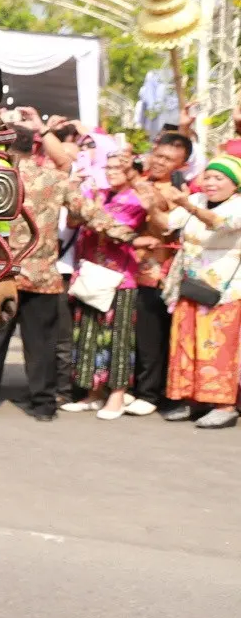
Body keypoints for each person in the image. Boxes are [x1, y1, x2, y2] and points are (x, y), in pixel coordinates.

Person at [0, 117, 138, 421]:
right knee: (41, 345)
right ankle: (44, 406)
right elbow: (89, 214)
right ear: (34, 146)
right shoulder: (55, 179)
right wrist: (132, 236)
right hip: (42, 276)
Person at [155, 155, 241, 427]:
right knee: (187, 344)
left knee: (218, 347)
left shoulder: (237, 206)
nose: (211, 183)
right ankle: (194, 400)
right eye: (208, 176)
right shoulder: (197, 201)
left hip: (223, 293)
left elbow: (219, 224)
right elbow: (166, 224)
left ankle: (224, 405)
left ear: (235, 184)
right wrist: (150, 200)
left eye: (219, 178)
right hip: (191, 287)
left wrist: (186, 205)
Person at [64, 149, 149, 419]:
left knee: (118, 339)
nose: (111, 172)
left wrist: (82, 202)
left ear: (132, 170)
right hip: (91, 273)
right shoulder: (99, 194)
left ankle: (117, 395)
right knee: (88, 335)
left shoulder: (135, 199)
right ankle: (92, 393)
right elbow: (73, 219)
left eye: (119, 168)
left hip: (120, 279)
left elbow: (111, 227)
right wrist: (79, 194)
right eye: (109, 167)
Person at [128, 131, 193, 413]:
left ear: (181, 165)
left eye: (169, 159)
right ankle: (130, 386)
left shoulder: (179, 193)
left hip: (155, 273)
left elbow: (165, 227)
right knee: (129, 333)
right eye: (158, 155)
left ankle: (150, 393)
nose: (159, 162)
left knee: (151, 335)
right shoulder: (139, 182)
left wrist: (152, 203)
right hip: (125, 271)